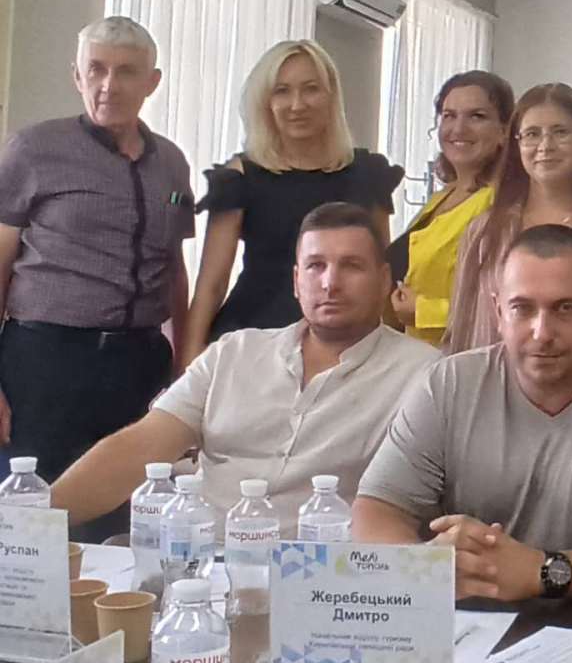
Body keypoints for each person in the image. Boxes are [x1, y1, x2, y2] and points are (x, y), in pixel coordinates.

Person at [352, 225, 572, 601]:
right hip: (475, 621)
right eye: (522, 308)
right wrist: (426, 570)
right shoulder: (448, 384)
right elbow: (376, 510)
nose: (542, 332)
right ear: (498, 312)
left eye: (565, 308)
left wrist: (543, 570)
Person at [50, 203, 436, 536]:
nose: (330, 283)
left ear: (384, 281)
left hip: (331, 579)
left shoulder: (424, 375)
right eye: (315, 266)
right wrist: (34, 522)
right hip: (204, 563)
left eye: (351, 266)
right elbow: (137, 448)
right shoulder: (233, 353)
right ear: (296, 281)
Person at [0, 16, 193, 538]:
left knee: (129, 519)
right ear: (77, 76)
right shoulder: (33, 150)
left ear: (152, 82)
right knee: (34, 521)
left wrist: (183, 366)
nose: (109, 85)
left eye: (126, 72)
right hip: (45, 362)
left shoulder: (172, 164)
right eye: (97, 69)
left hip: (138, 363)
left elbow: (174, 269)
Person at [181, 39, 401, 364]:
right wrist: (187, 367)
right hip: (253, 340)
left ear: (330, 96)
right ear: (266, 101)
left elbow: (383, 276)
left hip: (345, 341)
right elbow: (211, 285)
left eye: (310, 89)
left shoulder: (368, 174)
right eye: (281, 91)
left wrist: (393, 356)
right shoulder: (240, 176)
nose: (297, 105)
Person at [444, 83, 572, 356]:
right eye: (532, 134)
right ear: (516, 145)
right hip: (492, 381)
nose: (545, 146)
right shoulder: (482, 231)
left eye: (560, 132)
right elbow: (459, 333)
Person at [385, 71, 513, 346]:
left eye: (477, 116)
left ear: (504, 131)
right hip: (416, 355)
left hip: (459, 358)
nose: (458, 128)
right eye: (449, 115)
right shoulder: (443, 197)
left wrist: (423, 311)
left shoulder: (502, 206)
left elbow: (504, 306)